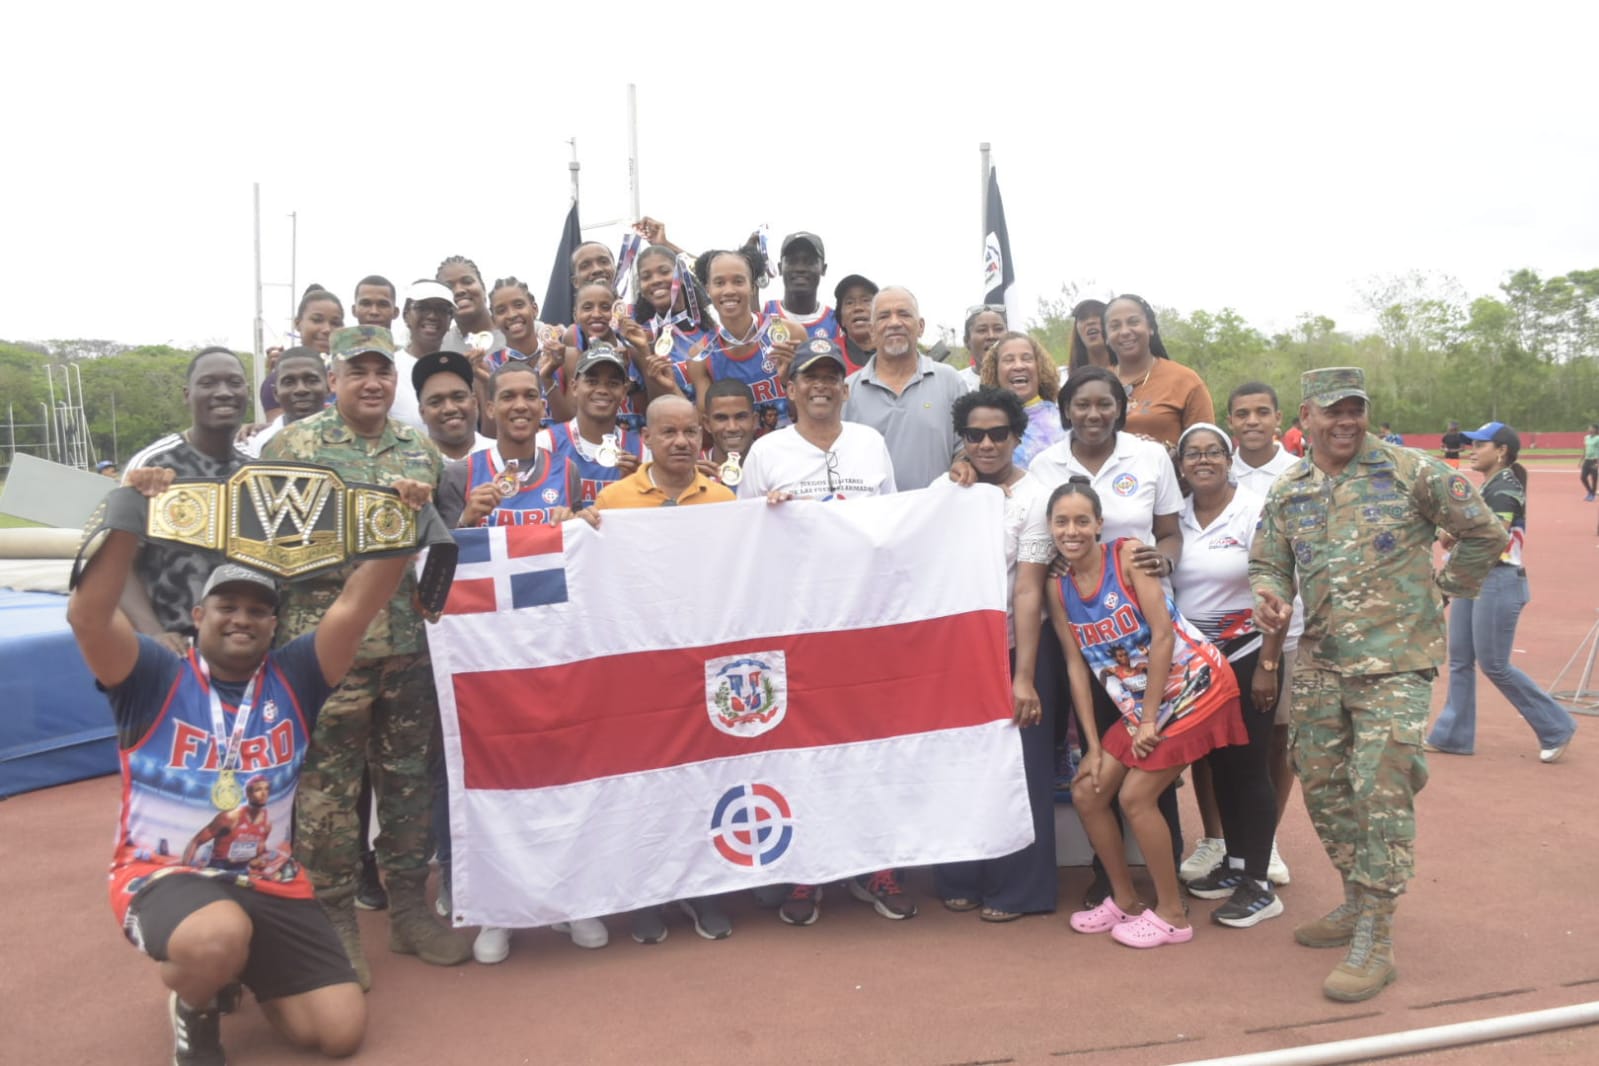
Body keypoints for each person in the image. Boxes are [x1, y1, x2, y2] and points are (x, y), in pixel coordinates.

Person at [67, 480, 423, 1065]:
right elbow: (87, 617)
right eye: (227, 607)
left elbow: (356, 607)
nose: (242, 619)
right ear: (198, 615)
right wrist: (129, 509)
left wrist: (401, 522)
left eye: (258, 610)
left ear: (274, 625)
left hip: (267, 878)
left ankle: (239, 968)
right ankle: (197, 1004)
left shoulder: (296, 676)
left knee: (337, 1033)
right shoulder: (154, 674)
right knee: (215, 938)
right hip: (165, 873)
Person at [1250, 367, 1508, 1002]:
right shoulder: (1289, 489)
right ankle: (1355, 900)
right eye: (1333, 410)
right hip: (1320, 662)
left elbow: (1484, 534)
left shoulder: (1412, 471)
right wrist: (1270, 593)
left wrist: (1443, 592)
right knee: (1322, 787)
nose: (1346, 421)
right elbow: (1268, 560)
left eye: (1355, 409)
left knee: (1381, 791)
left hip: (1395, 664)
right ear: (1306, 417)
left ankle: (1377, 936)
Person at [262, 325, 473, 987]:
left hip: (406, 645)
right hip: (326, 648)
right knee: (329, 789)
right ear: (334, 380)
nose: (372, 382)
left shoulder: (419, 450)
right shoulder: (291, 447)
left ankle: (409, 910)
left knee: (407, 781)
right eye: (358, 371)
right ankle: (334, 922)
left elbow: (440, 545)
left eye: (382, 371)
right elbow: (274, 549)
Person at [737, 338, 904, 924]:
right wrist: (768, 513)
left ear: (844, 388)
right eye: (810, 377)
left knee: (870, 746)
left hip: (864, 623)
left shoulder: (870, 443)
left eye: (831, 376)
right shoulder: (766, 451)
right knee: (804, 751)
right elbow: (741, 537)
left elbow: (893, 525)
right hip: (797, 626)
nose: (821, 386)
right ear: (790, 389)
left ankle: (876, 865)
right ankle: (807, 870)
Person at [1047, 479, 1246, 949]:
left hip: (1195, 686)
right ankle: (1124, 899)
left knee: (1136, 797)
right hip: (1141, 705)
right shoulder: (1059, 587)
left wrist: (1150, 720)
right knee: (1088, 790)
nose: (1072, 531)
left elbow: (1162, 634)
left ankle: (1173, 915)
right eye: (1061, 522)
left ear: (1099, 524)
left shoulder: (1127, 556)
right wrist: (1092, 747)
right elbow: (1077, 666)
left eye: (1081, 521)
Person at [1018, 365, 1184, 906]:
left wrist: (1165, 560)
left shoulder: (1150, 457)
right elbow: (1040, 537)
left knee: (1150, 749)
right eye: (1082, 404)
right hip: (1079, 627)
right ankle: (1107, 876)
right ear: (1066, 409)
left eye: (1104, 404)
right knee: (1097, 754)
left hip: (1142, 632)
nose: (1094, 414)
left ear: (1120, 408)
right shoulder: (1045, 464)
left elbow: (1169, 533)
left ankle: (1168, 871)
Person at [933, 388, 1058, 921]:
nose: (986, 445)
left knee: (1023, 771)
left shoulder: (1038, 497)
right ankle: (960, 876)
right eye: (974, 435)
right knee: (960, 763)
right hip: (958, 656)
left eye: (998, 434)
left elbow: (1028, 590)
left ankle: (1021, 890)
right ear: (962, 439)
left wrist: (1023, 677)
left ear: (1017, 436)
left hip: (1017, 648)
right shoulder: (945, 489)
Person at [1169, 424, 1288, 928]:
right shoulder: (1175, 517)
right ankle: (1236, 865)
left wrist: (1268, 665)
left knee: (1249, 767)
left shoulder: (1254, 509)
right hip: (1200, 665)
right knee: (1219, 765)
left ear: (1228, 457)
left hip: (1248, 655)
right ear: (1180, 465)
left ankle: (1259, 885)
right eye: (1193, 454)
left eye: (1213, 452)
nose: (1203, 460)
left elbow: (1278, 588)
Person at [1426, 422, 1577, 762]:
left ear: (1501, 451)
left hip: (1497, 580)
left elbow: (1491, 537)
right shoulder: (1489, 486)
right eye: (1472, 444)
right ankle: (1453, 735)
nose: (1472, 450)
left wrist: (1453, 535)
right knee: (1460, 659)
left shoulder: (1504, 488)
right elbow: (1464, 532)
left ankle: (1556, 725)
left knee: (1495, 664)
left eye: (1480, 445)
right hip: (1475, 579)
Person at [121, 347, 251, 652]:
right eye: (208, 383)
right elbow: (117, 565)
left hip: (241, 653)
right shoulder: (153, 466)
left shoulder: (254, 470)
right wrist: (155, 634)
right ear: (187, 394)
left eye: (234, 383)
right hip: (173, 651)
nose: (224, 392)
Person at [1224, 382, 1301, 887]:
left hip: (1287, 627)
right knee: (1218, 744)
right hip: (1224, 631)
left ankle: (1265, 838)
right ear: (1230, 420)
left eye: (1261, 412)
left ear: (1278, 418)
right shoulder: (1214, 465)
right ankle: (1218, 839)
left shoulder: (1299, 473)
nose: (1252, 421)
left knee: (1278, 736)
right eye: (1242, 413)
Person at [843, 286, 971, 490]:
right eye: (884, 316)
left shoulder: (950, 381)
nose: (894, 323)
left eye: (904, 314)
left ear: (920, 326)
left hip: (937, 507)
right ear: (872, 330)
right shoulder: (847, 390)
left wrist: (963, 464)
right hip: (870, 509)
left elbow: (967, 446)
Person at [438, 360, 579, 530]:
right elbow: (442, 545)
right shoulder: (460, 474)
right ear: (490, 409)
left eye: (530, 396)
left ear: (542, 408)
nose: (520, 406)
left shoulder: (567, 470)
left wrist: (574, 522)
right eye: (508, 397)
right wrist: (465, 521)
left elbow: (578, 540)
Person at [685, 249, 802, 433]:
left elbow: (811, 413)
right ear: (708, 289)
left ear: (752, 286)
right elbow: (708, 430)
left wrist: (787, 382)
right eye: (719, 283)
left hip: (791, 446)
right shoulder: (700, 355)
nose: (729, 290)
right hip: (739, 450)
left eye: (738, 281)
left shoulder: (790, 333)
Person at [1103, 294, 1213, 447]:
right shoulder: (1096, 382)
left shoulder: (1185, 380)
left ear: (1151, 328)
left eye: (1133, 322)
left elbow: (1206, 447)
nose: (1125, 331)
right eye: (1115, 326)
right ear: (1106, 337)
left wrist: (1164, 451)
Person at [549, 346, 644, 508]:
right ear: (574, 387)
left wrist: (638, 484)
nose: (602, 390)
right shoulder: (546, 444)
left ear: (624, 392)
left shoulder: (642, 450)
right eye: (592, 382)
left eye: (613, 384)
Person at [979, 331, 1065, 468]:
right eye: (1009, 360)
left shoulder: (1064, 422)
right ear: (995, 370)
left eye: (1026, 358)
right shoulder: (982, 425)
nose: (1019, 366)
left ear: (1039, 367)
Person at [261, 287, 344, 424]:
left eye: (335, 323)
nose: (327, 329)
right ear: (297, 323)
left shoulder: (351, 375)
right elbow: (279, 430)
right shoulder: (278, 376)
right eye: (317, 320)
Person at [391, 280, 458, 432]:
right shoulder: (389, 367)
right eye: (422, 307)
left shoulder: (458, 368)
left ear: (450, 320)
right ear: (406, 315)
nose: (432, 316)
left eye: (441, 309)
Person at [242, 347, 329, 458]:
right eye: (289, 382)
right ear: (276, 394)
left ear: (328, 387)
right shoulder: (257, 445)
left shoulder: (349, 434)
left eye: (312, 380)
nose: (301, 389)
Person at [414, 351, 493, 462]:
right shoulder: (407, 464)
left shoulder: (503, 456)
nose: (450, 409)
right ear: (422, 413)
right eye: (436, 402)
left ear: (474, 403)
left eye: (458, 397)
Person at [761, 232, 838, 341]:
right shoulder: (763, 312)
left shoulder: (837, 324)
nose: (800, 268)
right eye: (792, 261)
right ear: (780, 268)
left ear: (823, 269)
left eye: (810, 262)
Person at [437, 255, 506, 355]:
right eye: (449, 287)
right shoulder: (441, 348)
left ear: (483, 288)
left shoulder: (515, 330)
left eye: (467, 282)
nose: (459, 291)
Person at [696, 378, 757, 486]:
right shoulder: (691, 471)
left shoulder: (776, 463)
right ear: (707, 424)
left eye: (740, 417)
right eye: (721, 418)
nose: (732, 428)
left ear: (755, 421)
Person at [956, 305, 1009, 390]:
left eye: (998, 329)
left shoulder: (1021, 379)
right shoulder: (956, 382)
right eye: (982, 330)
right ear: (966, 341)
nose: (991, 336)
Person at [833, 274, 878, 374]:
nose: (858, 307)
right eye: (849, 302)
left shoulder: (895, 350)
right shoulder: (830, 354)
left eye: (866, 300)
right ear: (841, 318)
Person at [1067, 298, 1114, 374]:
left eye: (1098, 314)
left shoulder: (1131, 369)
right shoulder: (1071, 378)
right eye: (1083, 317)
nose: (1090, 321)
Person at [1581, 423, 1598, 501]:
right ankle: (1590, 491)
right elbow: (1586, 448)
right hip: (1587, 460)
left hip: (1594, 460)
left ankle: (1592, 495)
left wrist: (1597, 462)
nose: (1589, 429)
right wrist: (1581, 460)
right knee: (1583, 477)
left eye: (1591, 428)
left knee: (1594, 478)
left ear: (1595, 429)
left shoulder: (1598, 438)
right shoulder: (1586, 437)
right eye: (1589, 428)